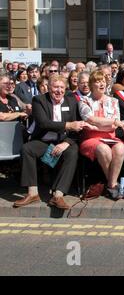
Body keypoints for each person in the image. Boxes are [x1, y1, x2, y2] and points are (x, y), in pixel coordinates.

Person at [13, 75, 88, 209]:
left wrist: (66, 143)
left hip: (63, 140)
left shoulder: (71, 101)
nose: (58, 91)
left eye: (61, 87)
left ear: (65, 89)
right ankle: (33, 193)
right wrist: (68, 125)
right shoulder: (39, 100)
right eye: (55, 87)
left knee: (72, 151)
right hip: (44, 141)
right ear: (48, 88)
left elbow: (78, 127)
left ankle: (58, 195)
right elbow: (44, 123)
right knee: (27, 149)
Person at [78, 71, 124, 199]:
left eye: (103, 81)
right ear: (92, 85)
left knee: (120, 148)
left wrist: (101, 125)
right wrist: (111, 122)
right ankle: (113, 185)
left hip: (110, 137)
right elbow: (90, 119)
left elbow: (113, 126)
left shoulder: (113, 101)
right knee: (103, 149)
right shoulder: (84, 101)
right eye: (98, 81)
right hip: (91, 138)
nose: (101, 83)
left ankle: (110, 184)